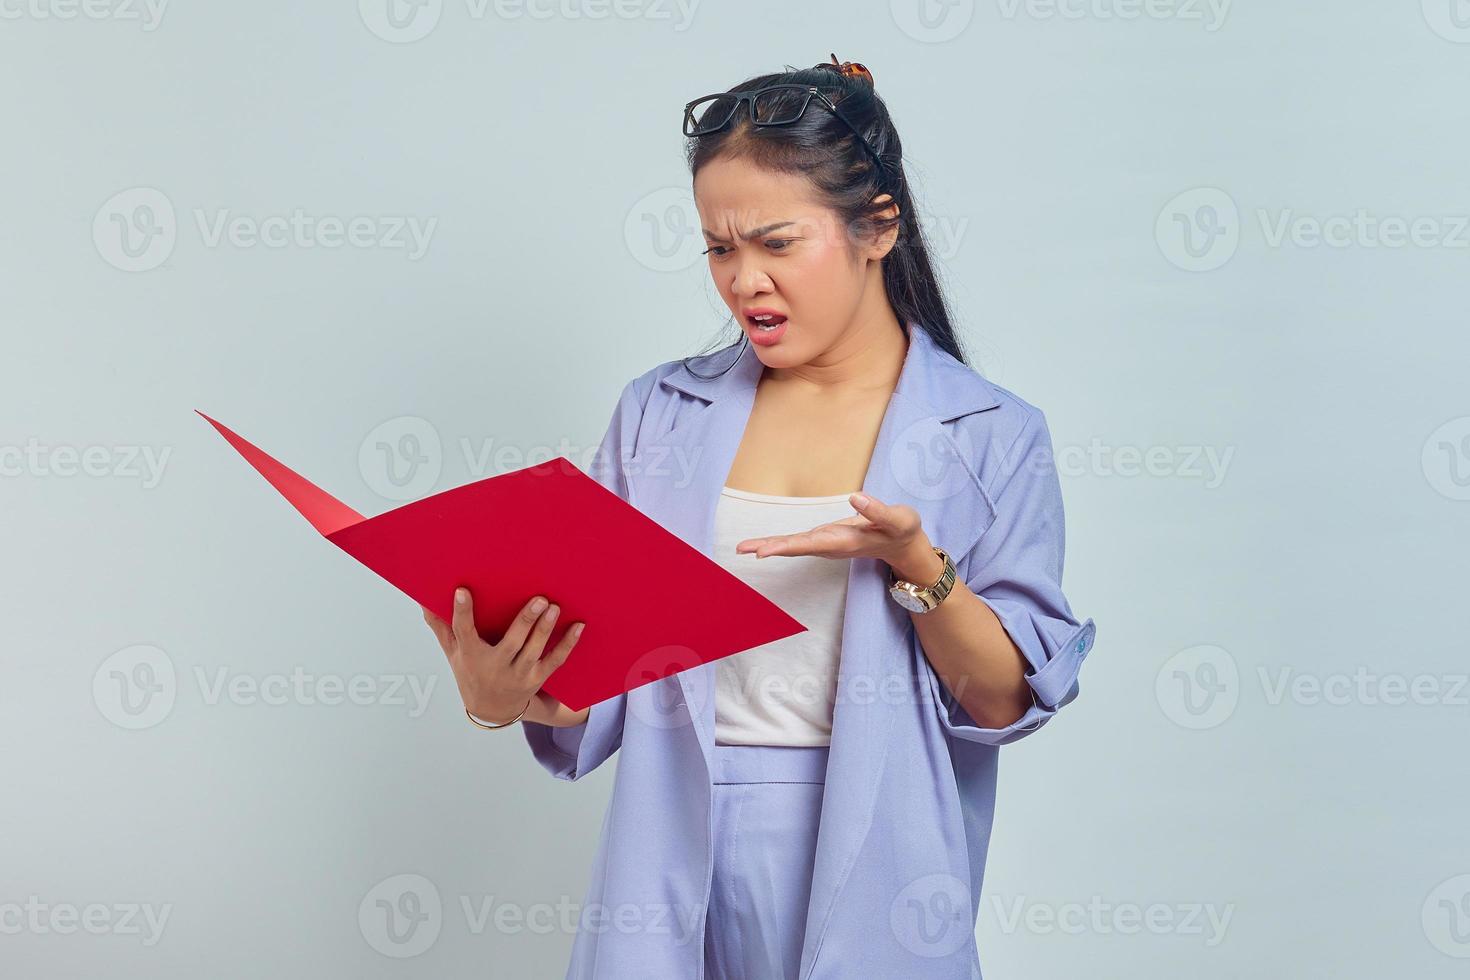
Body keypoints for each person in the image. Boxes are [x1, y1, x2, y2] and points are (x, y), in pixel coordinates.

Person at [422, 54, 1099, 980]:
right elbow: (596, 682)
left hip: (871, 855)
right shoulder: (659, 414)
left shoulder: (993, 434)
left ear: (878, 228)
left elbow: (1005, 699)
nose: (742, 281)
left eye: (777, 244)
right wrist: (507, 699)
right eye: (718, 247)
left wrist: (917, 563)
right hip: (671, 842)